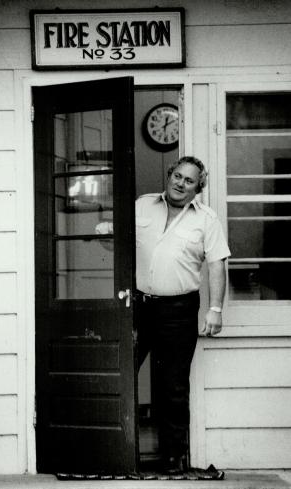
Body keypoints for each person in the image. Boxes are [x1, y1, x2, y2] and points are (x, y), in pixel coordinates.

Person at [135, 156, 230, 475]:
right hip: (136, 307)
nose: (180, 183)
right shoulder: (142, 205)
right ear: (169, 175)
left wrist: (215, 309)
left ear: (198, 188)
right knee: (121, 374)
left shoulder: (206, 219)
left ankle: (173, 459)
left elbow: (217, 263)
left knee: (172, 385)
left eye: (189, 180)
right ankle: (116, 451)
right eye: (177, 175)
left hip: (178, 310)